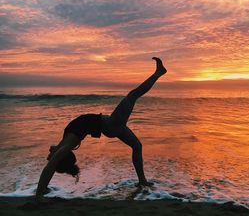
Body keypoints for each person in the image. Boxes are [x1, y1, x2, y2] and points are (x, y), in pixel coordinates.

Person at [35, 57, 167, 202]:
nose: (49, 152)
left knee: (137, 146)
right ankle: (158, 73)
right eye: (51, 155)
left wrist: (54, 156)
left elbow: (54, 159)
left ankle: (142, 181)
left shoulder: (63, 143)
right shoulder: (67, 144)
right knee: (132, 95)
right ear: (63, 156)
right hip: (110, 125)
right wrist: (39, 194)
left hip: (110, 125)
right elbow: (51, 166)